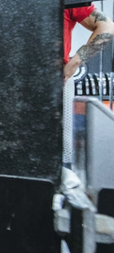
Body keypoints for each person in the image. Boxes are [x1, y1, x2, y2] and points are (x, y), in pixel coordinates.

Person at [62, 3, 114, 167]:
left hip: (57, 83)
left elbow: (107, 27)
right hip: (9, 84)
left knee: (63, 154)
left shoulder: (67, 3)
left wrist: (75, 61)